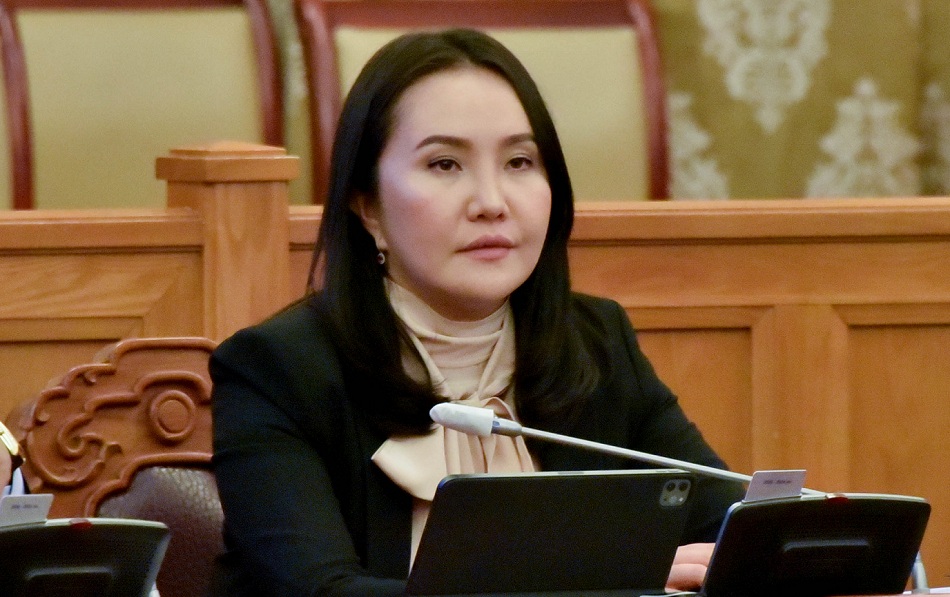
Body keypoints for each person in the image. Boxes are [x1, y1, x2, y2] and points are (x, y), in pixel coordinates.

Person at [210, 28, 745, 596]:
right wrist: (599, 579)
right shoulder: (277, 370)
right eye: (445, 164)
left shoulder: (596, 345)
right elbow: (322, 591)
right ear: (367, 206)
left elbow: (733, 527)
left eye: (519, 161)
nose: (492, 203)